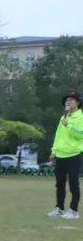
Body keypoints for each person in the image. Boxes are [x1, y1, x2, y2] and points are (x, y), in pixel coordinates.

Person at [49, 90, 83, 219]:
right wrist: (54, 151)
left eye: (72, 99)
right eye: (67, 100)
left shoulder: (81, 117)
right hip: (60, 155)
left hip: (74, 154)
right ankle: (59, 208)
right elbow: (58, 136)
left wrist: (68, 125)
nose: (68, 101)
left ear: (78, 103)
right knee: (60, 184)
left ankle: (73, 211)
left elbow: (80, 134)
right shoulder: (63, 117)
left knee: (73, 183)